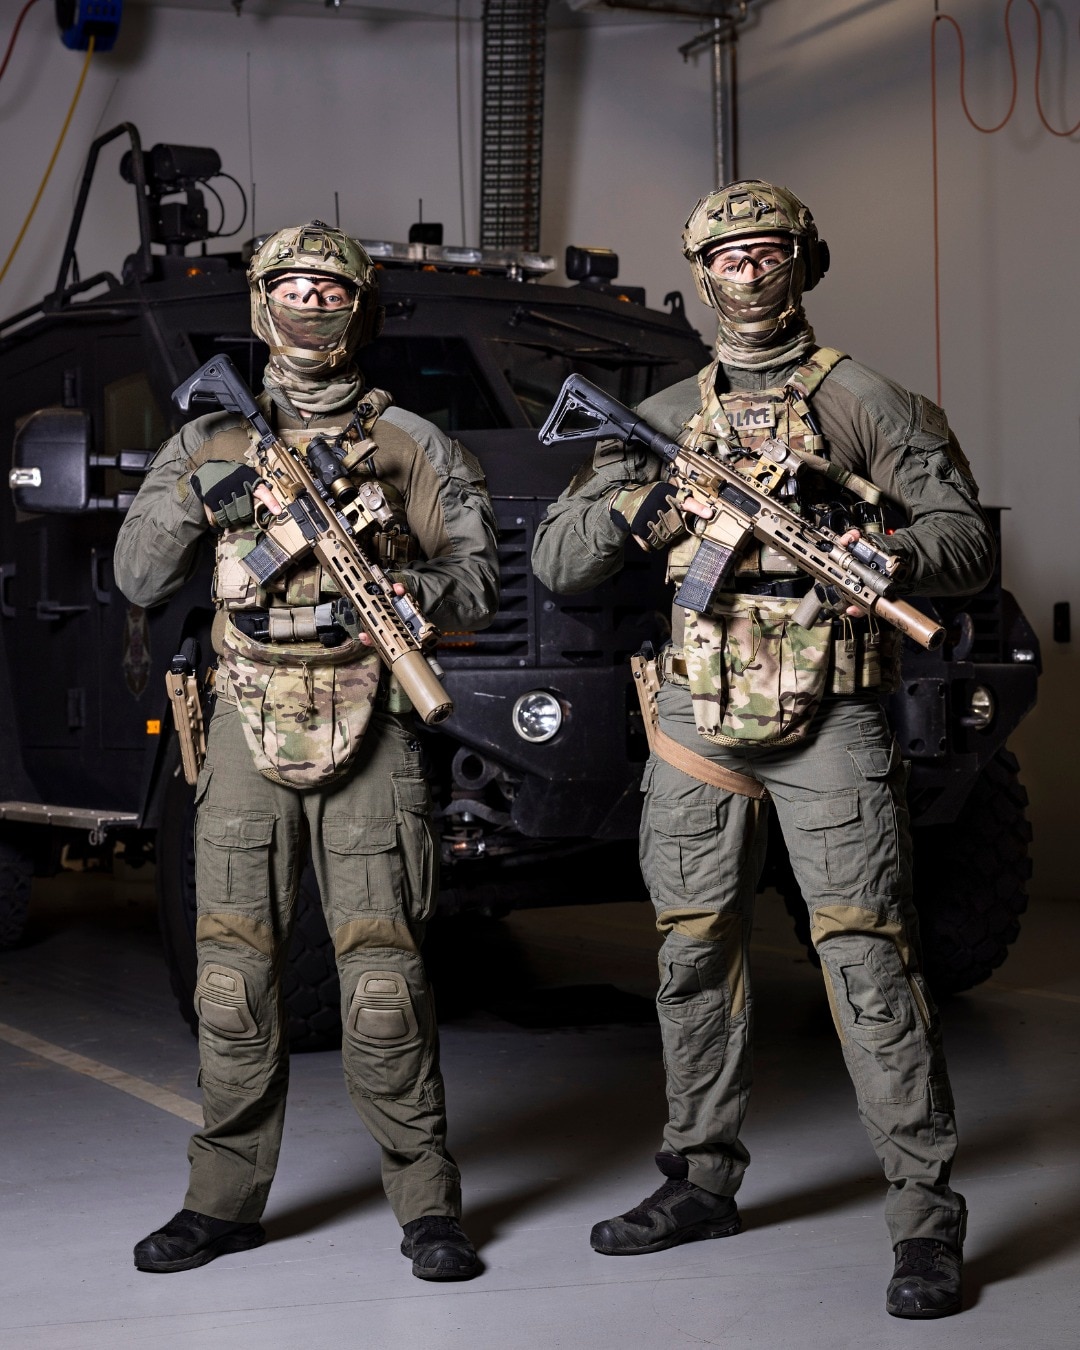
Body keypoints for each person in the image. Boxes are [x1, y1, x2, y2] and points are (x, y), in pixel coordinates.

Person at [531, 180, 994, 1319]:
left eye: (768, 250)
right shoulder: (665, 409)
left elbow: (964, 538)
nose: (748, 270)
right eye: (727, 255)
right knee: (691, 951)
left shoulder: (865, 402)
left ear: (804, 263)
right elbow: (560, 560)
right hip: (696, 712)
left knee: (867, 958)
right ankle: (699, 1179)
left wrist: (886, 553)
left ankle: (924, 1222)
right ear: (700, 272)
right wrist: (646, 515)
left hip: (829, 711)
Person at [115, 222, 499, 1281]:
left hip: (371, 722)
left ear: (361, 307)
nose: (310, 301)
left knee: (385, 979)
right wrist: (209, 496)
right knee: (233, 977)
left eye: (332, 287)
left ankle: (426, 1203)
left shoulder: (410, 441)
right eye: (290, 284)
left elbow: (478, 580)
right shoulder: (205, 439)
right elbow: (139, 580)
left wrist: (393, 590)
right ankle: (224, 1200)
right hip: (244, 722)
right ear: (259, 302)